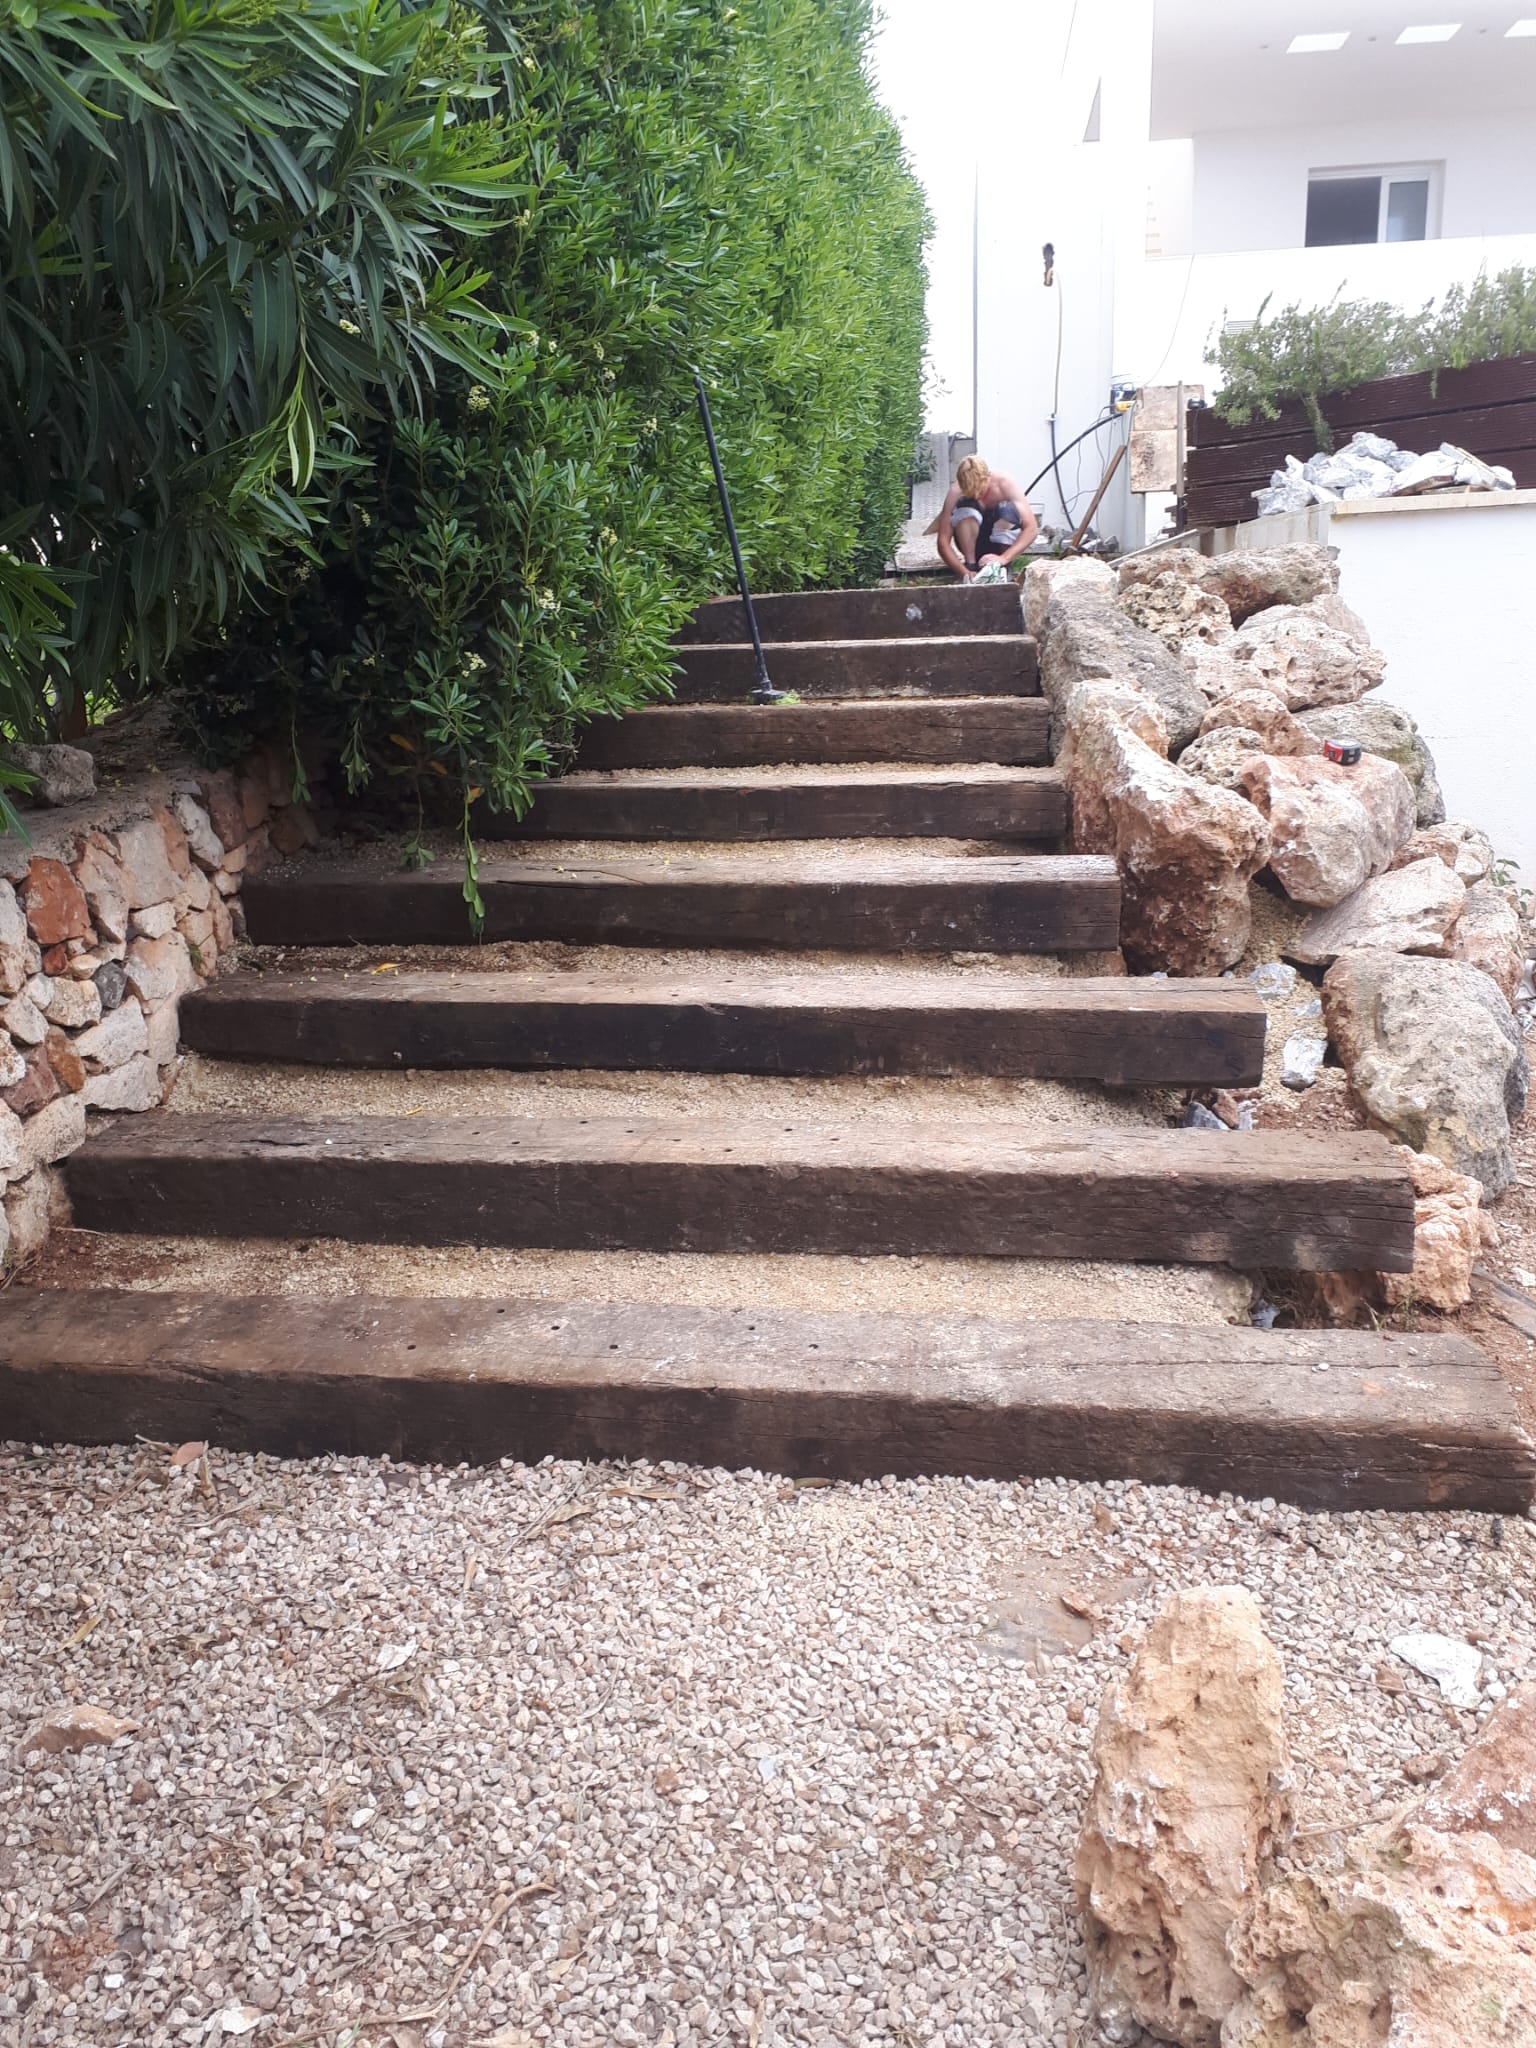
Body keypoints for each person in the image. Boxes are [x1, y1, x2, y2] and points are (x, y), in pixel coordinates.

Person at [936, 454, 1039, 581]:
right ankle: (971, 565)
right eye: (970, 492)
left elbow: (1031, 529)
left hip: (1001, 545)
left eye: (979, 490)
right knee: (965, 509)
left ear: (987, 477)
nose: (977, 495)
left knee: (1007, 509)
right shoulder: (955, 491)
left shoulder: (1005, 483)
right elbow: (943, 542)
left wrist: (1004, 558)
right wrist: (964, 572)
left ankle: (1002, 567)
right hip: (974, 544)